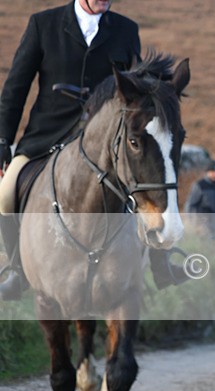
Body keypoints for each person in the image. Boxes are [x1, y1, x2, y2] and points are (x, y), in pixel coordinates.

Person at [0, 0, 185, 300]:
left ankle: (160, 263)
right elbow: (15, 88)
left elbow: (138, 85)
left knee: (145, 183)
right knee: (6, 192)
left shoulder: (126, 30)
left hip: (103, 142)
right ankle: (18, 271)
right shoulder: (42, 24)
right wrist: (2, 140)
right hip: (46, 135)